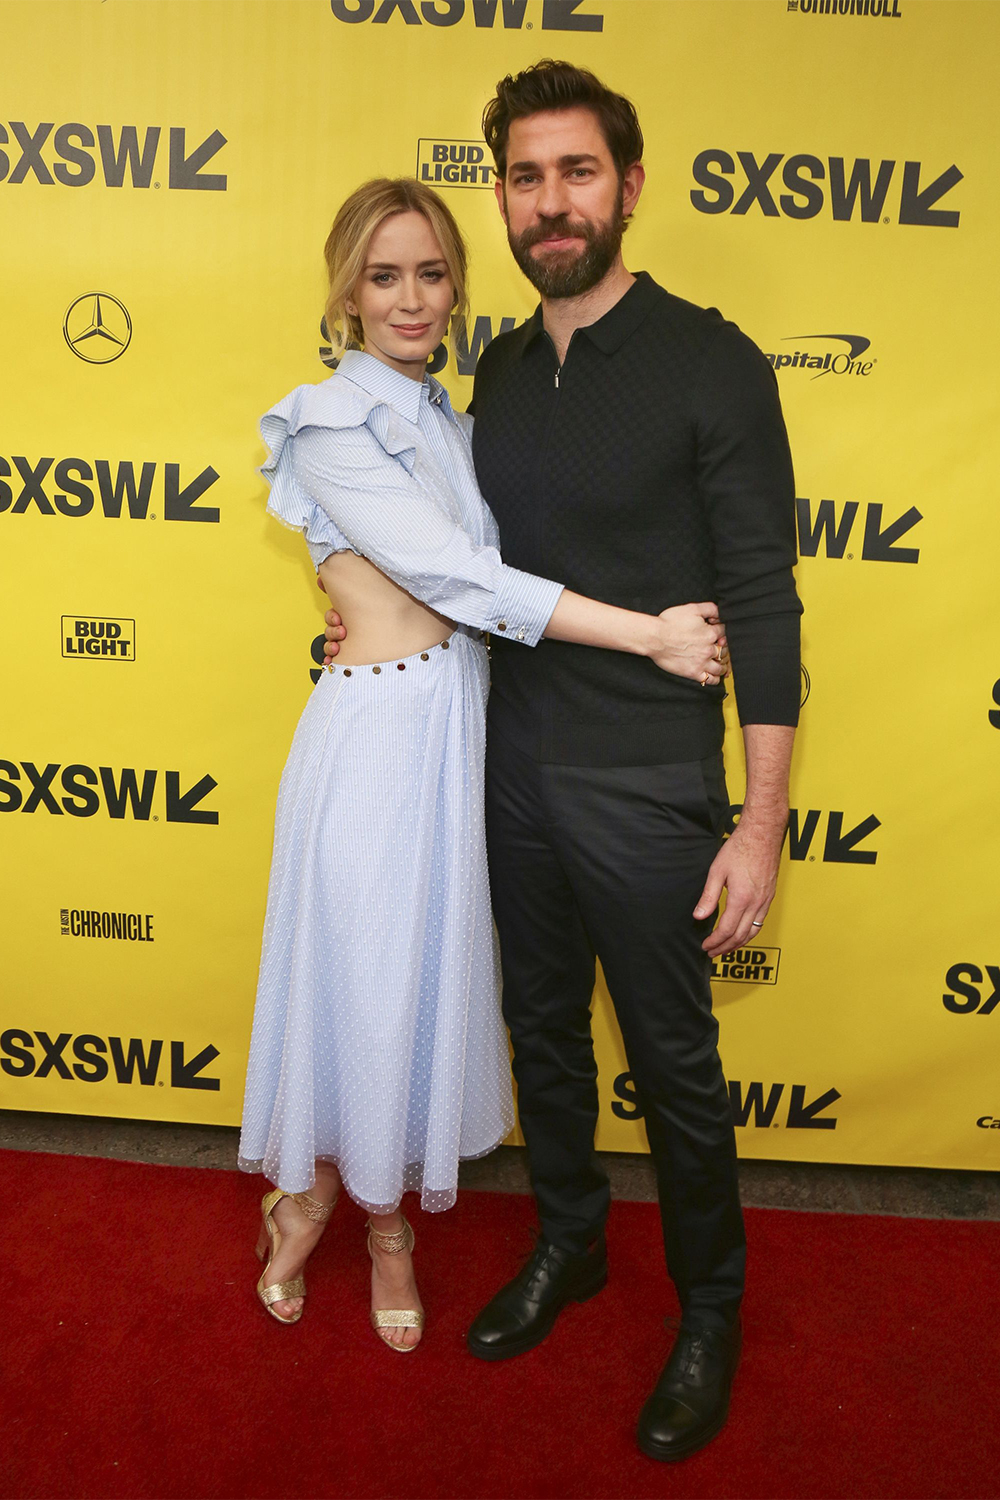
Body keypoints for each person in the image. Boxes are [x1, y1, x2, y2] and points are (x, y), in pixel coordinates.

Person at [321, 60, 801, 1456]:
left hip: (647, 782)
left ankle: (709, 1309)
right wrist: (357, 624)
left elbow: (764, 603)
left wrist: (759, 822)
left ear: (628, 185)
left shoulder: (713, 362)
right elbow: (456, 572)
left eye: (576, 172)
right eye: (525, 178)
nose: (550, 203)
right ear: (504, 199)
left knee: (674, 1063)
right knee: (541, 1035)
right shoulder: (500, 371)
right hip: (505, 766)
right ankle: (571, 1245)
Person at [238, 175, 730, 1353]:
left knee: (414, 989)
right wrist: (650, 634)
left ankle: (334, 1200)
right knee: (359, 986)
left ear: (459, 286)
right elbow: (459, 579)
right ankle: (364, 1222)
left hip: (461, 740)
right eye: (383, 276)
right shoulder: (326, 422)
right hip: (374, 746)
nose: (411, 299)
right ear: (346, 294)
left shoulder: (456, 423)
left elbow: (480, 583)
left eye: (431, 273)